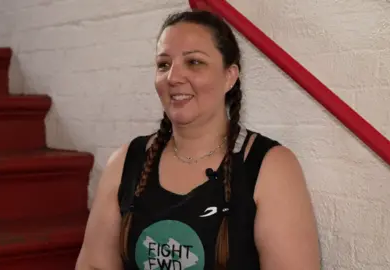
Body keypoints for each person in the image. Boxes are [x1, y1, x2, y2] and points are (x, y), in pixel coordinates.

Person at [76, 9, 320, 270]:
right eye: (164, 65)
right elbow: (93, 265)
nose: (173, 77)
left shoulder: (269, 166)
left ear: (229, 76)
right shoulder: (126, 162)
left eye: (194, 62)